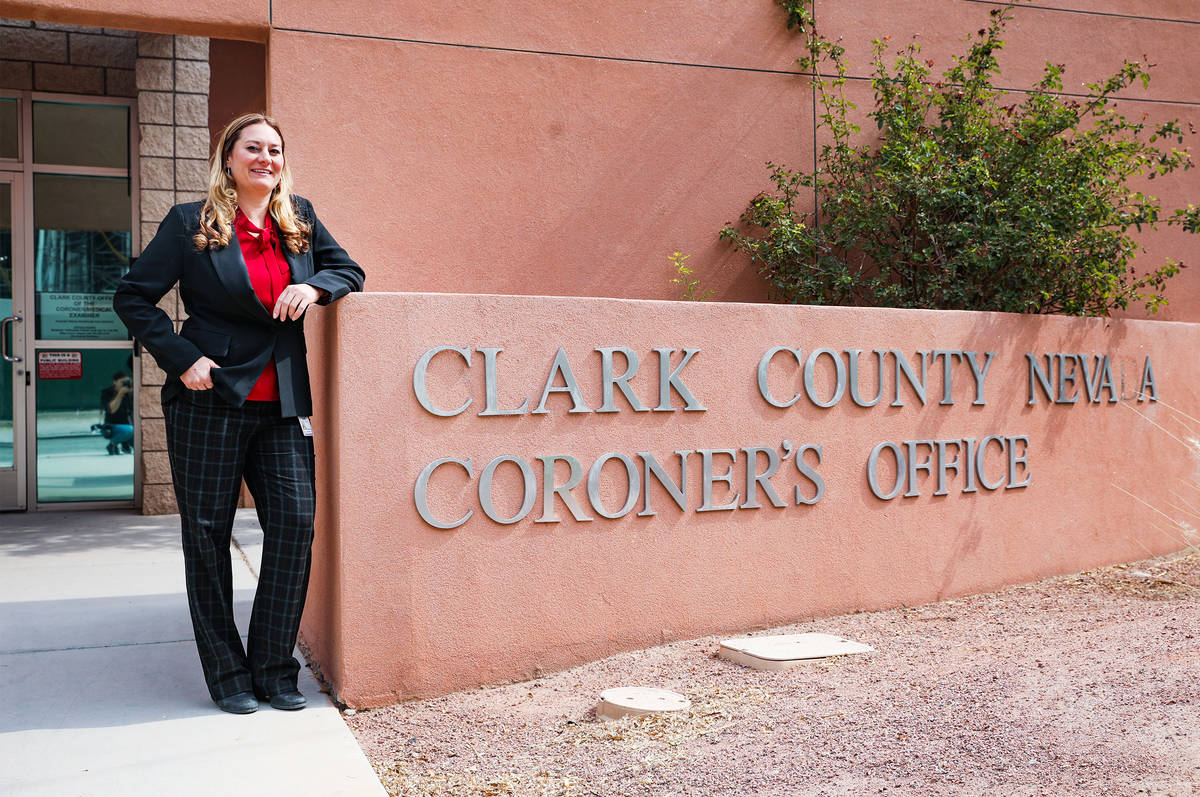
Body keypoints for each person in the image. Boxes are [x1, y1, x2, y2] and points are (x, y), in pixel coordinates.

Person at [113, 113, 365, 715]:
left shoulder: (298, 218)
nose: (265, 158)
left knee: (295, 528)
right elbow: (132, 296)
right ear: (229, 157)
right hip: (209, 400)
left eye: (274, 149)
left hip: (281, 400)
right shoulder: (190, 222)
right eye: (253, 147)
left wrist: (317, 287)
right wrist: (181, 358)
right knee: (207, 538)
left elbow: (349, 269)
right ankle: (227, 675)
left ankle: (274, 668)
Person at [99, 371, 134, 454]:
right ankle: (112, 444)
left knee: (139, 439)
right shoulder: (107, 392)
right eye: (122, 382)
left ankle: (125, 442)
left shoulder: (130, 393)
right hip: (111, 427)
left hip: (129, 426)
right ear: (114, 382)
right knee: (129, 430)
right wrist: (120, 394)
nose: (125, 384)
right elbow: (111, 410)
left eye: (127, 382)